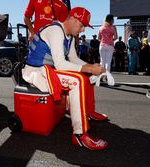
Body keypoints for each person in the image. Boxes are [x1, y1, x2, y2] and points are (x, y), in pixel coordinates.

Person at [22, 6, 108, 150]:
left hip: (48, 70)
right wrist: (88, 68)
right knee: (77, 80)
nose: (83, 30)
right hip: (36, 72)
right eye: (82, 26)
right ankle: (79, 135)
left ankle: (89, 112)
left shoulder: (69, 36)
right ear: (73, 20)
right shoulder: (56, 30)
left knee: (87, 75)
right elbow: (61, 64)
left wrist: (91, 67)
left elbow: (73, 59)